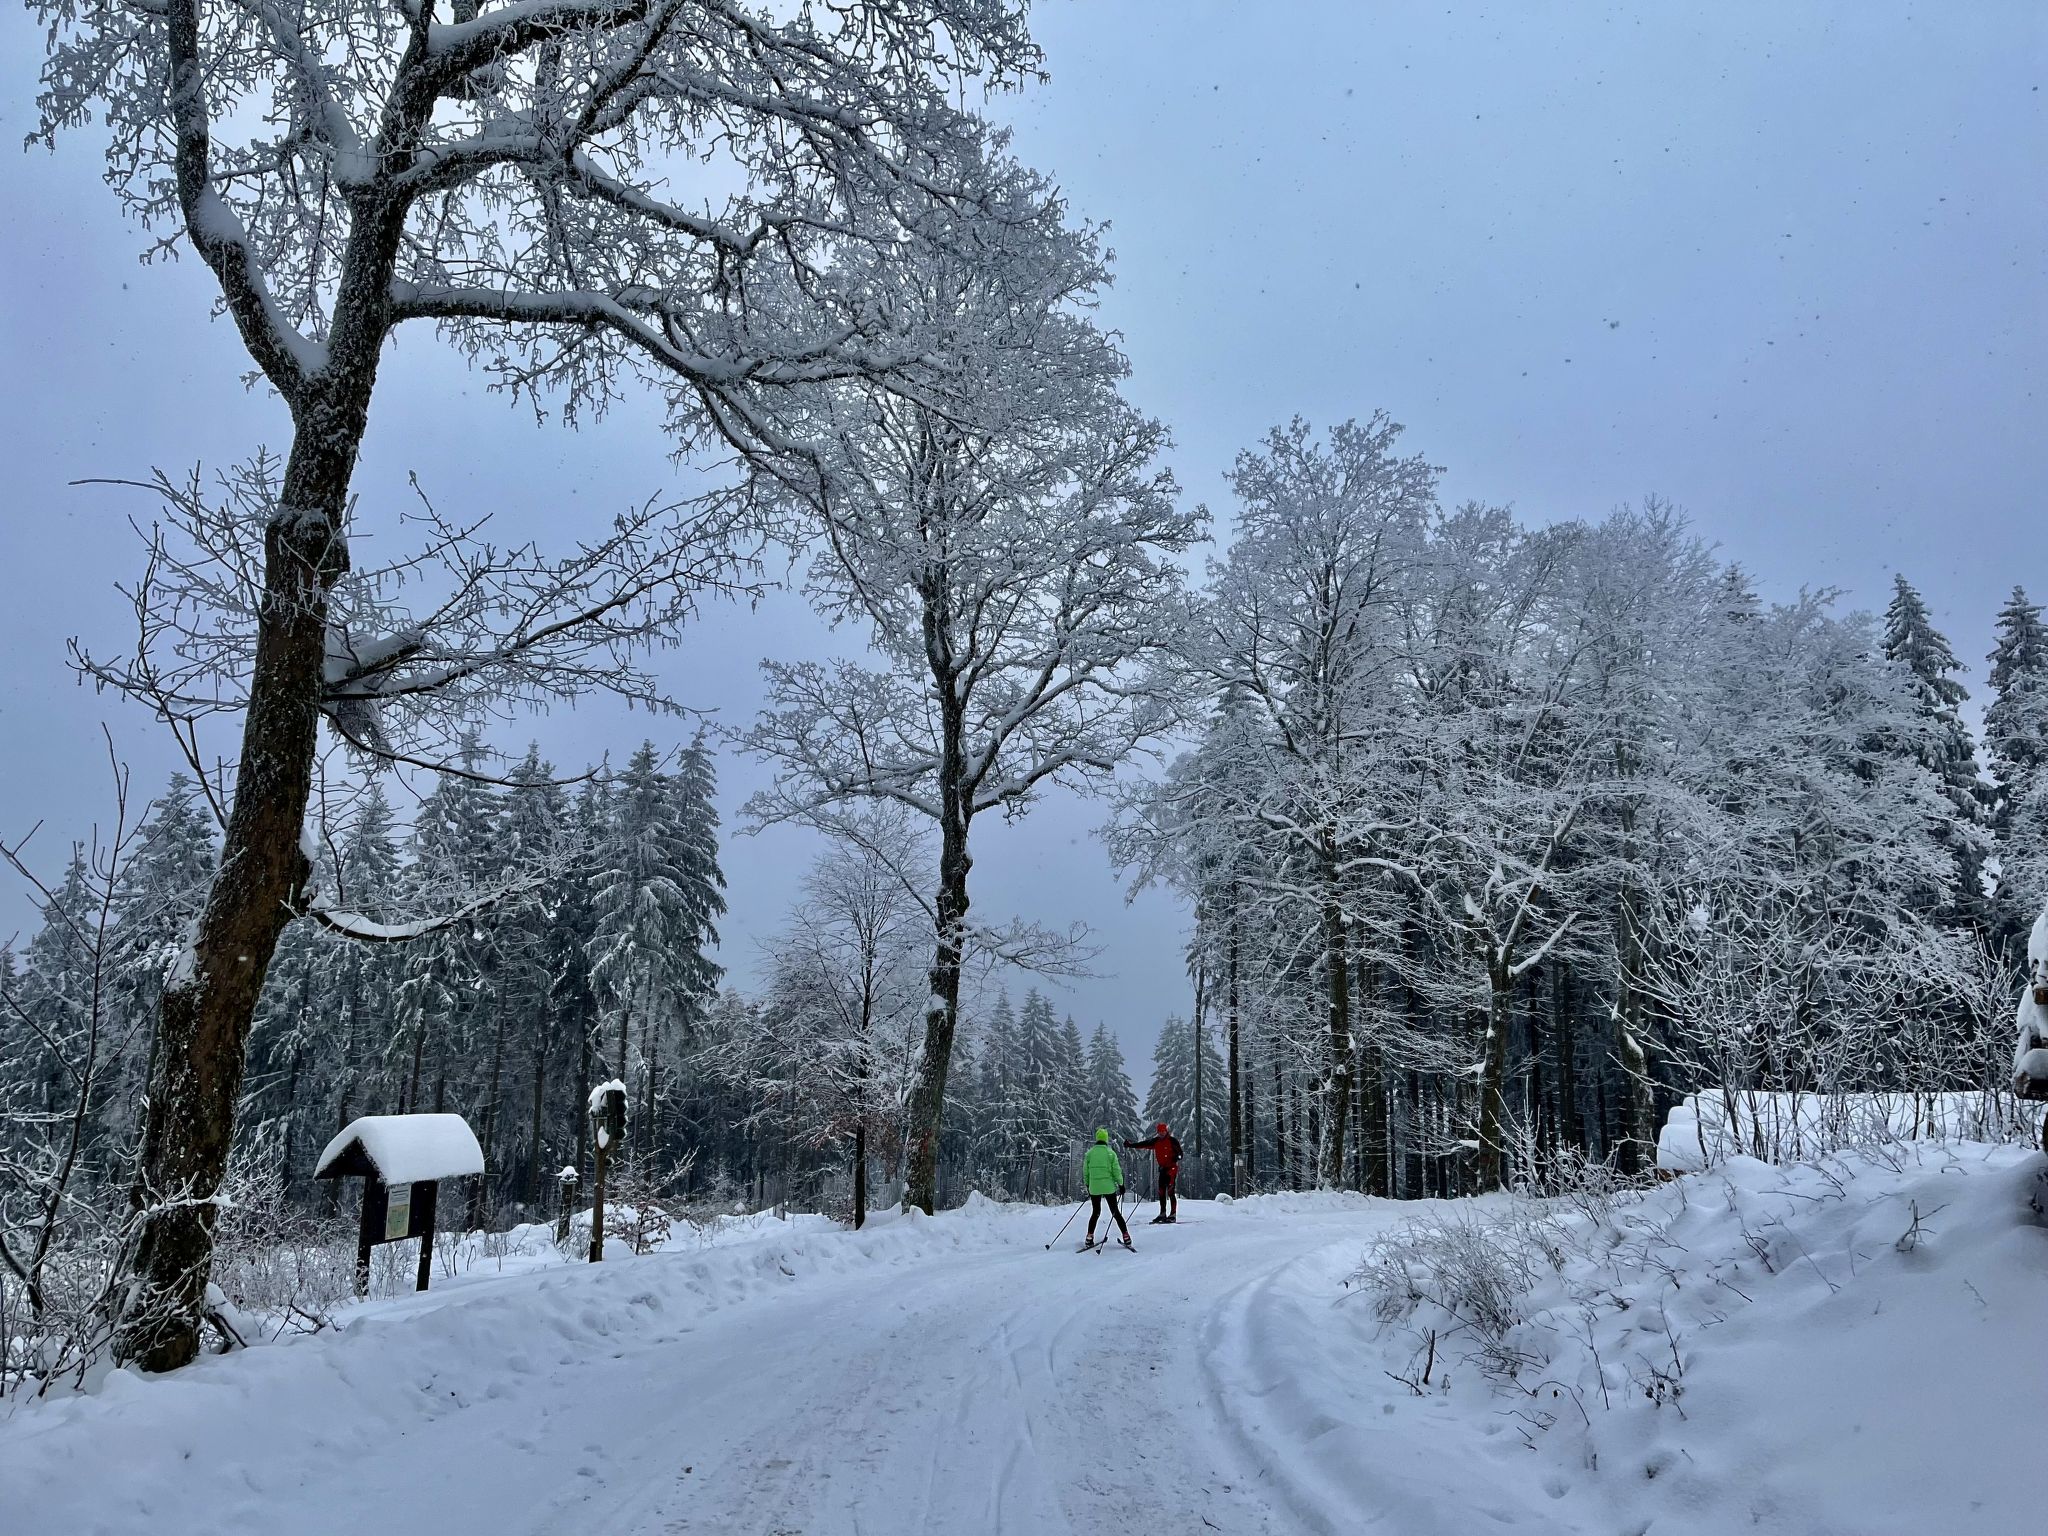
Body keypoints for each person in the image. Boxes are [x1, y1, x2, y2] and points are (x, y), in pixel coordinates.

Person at [1081, 1128, 1133, 1249]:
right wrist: (1121, 1184)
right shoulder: (1110, 1153)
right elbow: (1116, 1171)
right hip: (1109, 1187)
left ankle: (1089, 1237)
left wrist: (1088, 1184)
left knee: (1095, 1212)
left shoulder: (1089, 1154)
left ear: (1097, 1139)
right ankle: (1126, 1237)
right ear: (1106, 1139)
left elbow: (1085, 1171)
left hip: (1094, 1187)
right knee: (1115, 1212)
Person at [1125, 1122, 1182, 1223]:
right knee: (1161, 1191)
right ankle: (1163, 1213)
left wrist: (1176, 1157)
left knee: (1170, 1191)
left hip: (1171, 1169)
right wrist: (1130, 1145)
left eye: (1163, 1131)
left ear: (1166, 1131)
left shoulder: (1172, 1141)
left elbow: (1180, 1154)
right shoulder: (1156, 1141)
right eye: (1159, 1132)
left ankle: (1173, 1214)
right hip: (1162, 1169)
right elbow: (1143, 1144)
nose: (1161, 1134)